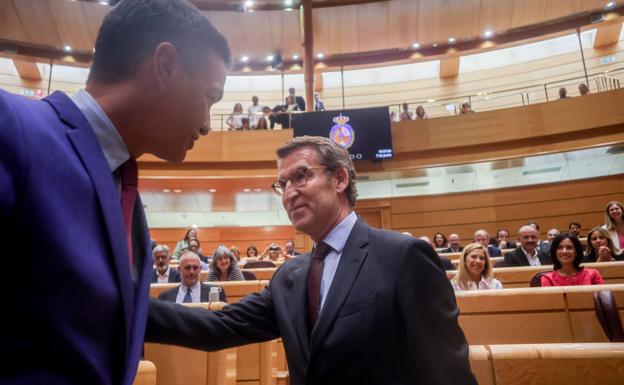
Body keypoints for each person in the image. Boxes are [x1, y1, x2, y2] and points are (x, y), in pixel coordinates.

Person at [0, 0, 229, 383]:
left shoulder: (125, 191)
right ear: (166, 65)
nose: (207, 124)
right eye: (209, 96)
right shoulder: (12, 127)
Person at [146, 136, 477, 385]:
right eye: (282, 184)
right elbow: (219, 327)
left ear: (339, 180)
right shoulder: (290, 276)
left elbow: (448, 370)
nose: (289, 192)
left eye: (301, 176)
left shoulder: (403, 257)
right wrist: (120, 304)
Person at [158, 251, 227, 303]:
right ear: (179, 270)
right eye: (187, 268)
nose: (192, 272)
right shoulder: (165, 297)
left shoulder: (217, 293)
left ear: (200, 269)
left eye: (195, 268)